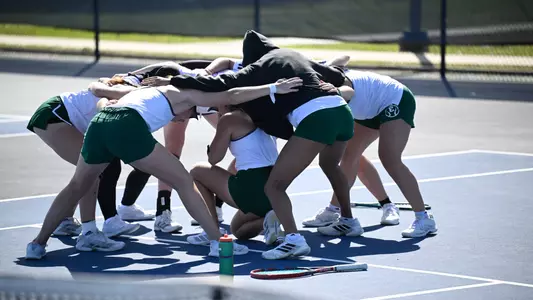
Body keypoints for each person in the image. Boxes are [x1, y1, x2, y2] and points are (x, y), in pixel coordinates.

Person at [25, 76, 303, 259]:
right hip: (125, 123)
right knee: (183, 180)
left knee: (78, 184)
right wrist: (272, 88)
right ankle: (219, 242)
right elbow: (230, 93)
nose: (189, 117)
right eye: (193, 113)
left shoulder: (149, 91)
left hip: (101, 123)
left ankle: (37, 244)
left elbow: (102, 94)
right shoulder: (184, 93)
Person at [148, 30, 361, 260]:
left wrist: (173, 81)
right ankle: (348, 220)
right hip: (342, 111)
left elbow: (223, 82)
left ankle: (294, 239)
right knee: (331, 166)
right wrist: (340, 87)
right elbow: (335, 73)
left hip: (317, 118)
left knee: (275, 186)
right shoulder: (294, 56)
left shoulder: (259, 68)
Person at [314, 57, 437, 238]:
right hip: (368, 109)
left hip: (394, 99)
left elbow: (345, 61)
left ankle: (424, 219)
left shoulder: (325, 78)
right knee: (350, 154)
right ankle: (333, 210)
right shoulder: (313, 78)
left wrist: (331, 70)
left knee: (390, 159)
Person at [25, 75, 144, 252]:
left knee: (87, 174)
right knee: (90, 176)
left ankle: (64, 221)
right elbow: (101, 94)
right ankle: (88, 234)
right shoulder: (134, 93)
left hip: (58, 114)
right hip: (55, 115)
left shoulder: (137, 96)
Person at [188, 104, 283, 247]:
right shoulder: (264, 112)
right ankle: (270, 218)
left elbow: (213, 159)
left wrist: (221, 120)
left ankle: (211, 231)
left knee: (197, 171)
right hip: (275, 192)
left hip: (253, 186)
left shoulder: (229, 119)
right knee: (238, 231)